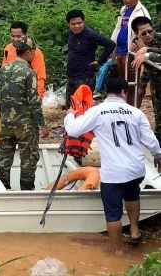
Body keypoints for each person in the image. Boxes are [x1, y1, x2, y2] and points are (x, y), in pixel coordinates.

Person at [64, 74, 161, 253]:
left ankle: (117, 251)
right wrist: (158, 156)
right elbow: (150, 140)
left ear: (106, 92)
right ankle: (134, 230)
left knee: (113, 212)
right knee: (133, 195)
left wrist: (70, 115)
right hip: (136, 169)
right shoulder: (136, 112)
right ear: (124, 93)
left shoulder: (97, 111)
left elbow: (73, 130)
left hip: (113, 173)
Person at [0, 36, 50, 190]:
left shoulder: (3, 70)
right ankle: (27, 192)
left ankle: (2, 190)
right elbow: (34, 102)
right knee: (28, 159)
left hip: (6, 123)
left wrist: (4, 118)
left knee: (5, 159)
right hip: (26, 126)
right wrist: (42, 124)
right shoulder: (29, 72)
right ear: (29, 52)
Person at [110, 0, 151, 106]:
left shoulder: (141, 12)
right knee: (124, 82)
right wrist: (113, 47)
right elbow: (118, 29)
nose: (127, 0)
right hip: (121, 52)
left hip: (133, 53)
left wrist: (140, 50)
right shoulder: (124, 10)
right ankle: (125, 107)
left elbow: (146, 34)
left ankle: (133, 109)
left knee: (134, 83)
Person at [65, 9, 116, 107]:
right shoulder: (71, 33)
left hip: (85, 77)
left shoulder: (90, 34)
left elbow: (110, 44)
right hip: (71, 76)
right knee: (70, 106)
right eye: (73, 24)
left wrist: (99, 61)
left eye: (79, 23)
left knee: (85, 107)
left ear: (84, 22)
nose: (77, 26)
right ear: (68, 24)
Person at [131, 16, 161, 141]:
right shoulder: (136, 44)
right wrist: (140, 88)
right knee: (158, 117)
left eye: (150, 31)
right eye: (144, 33)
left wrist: (148, 52)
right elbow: (147, 69)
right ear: (137, 34)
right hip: (156, 85)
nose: (148, 35)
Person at [2, 21, 46, 98]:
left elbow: (40, 78)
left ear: (25, 35)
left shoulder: (35, 52)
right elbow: (4, 72)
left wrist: (39, 98)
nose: (15, 39)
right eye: (13, 36)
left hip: (28, 94)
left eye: (18, 36)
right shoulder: (8, 49)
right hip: (10, 95)